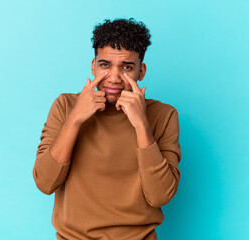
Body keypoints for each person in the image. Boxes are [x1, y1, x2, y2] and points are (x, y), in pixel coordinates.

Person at [32, 18, 182, 240]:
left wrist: (141, 124)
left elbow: (159, 196)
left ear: (141, 71)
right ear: (93, 66)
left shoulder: (163, 115)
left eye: (127, 67)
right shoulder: (65, 106)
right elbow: (45, 183)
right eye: (105, 65)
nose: (113, 78)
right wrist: (75, 119)